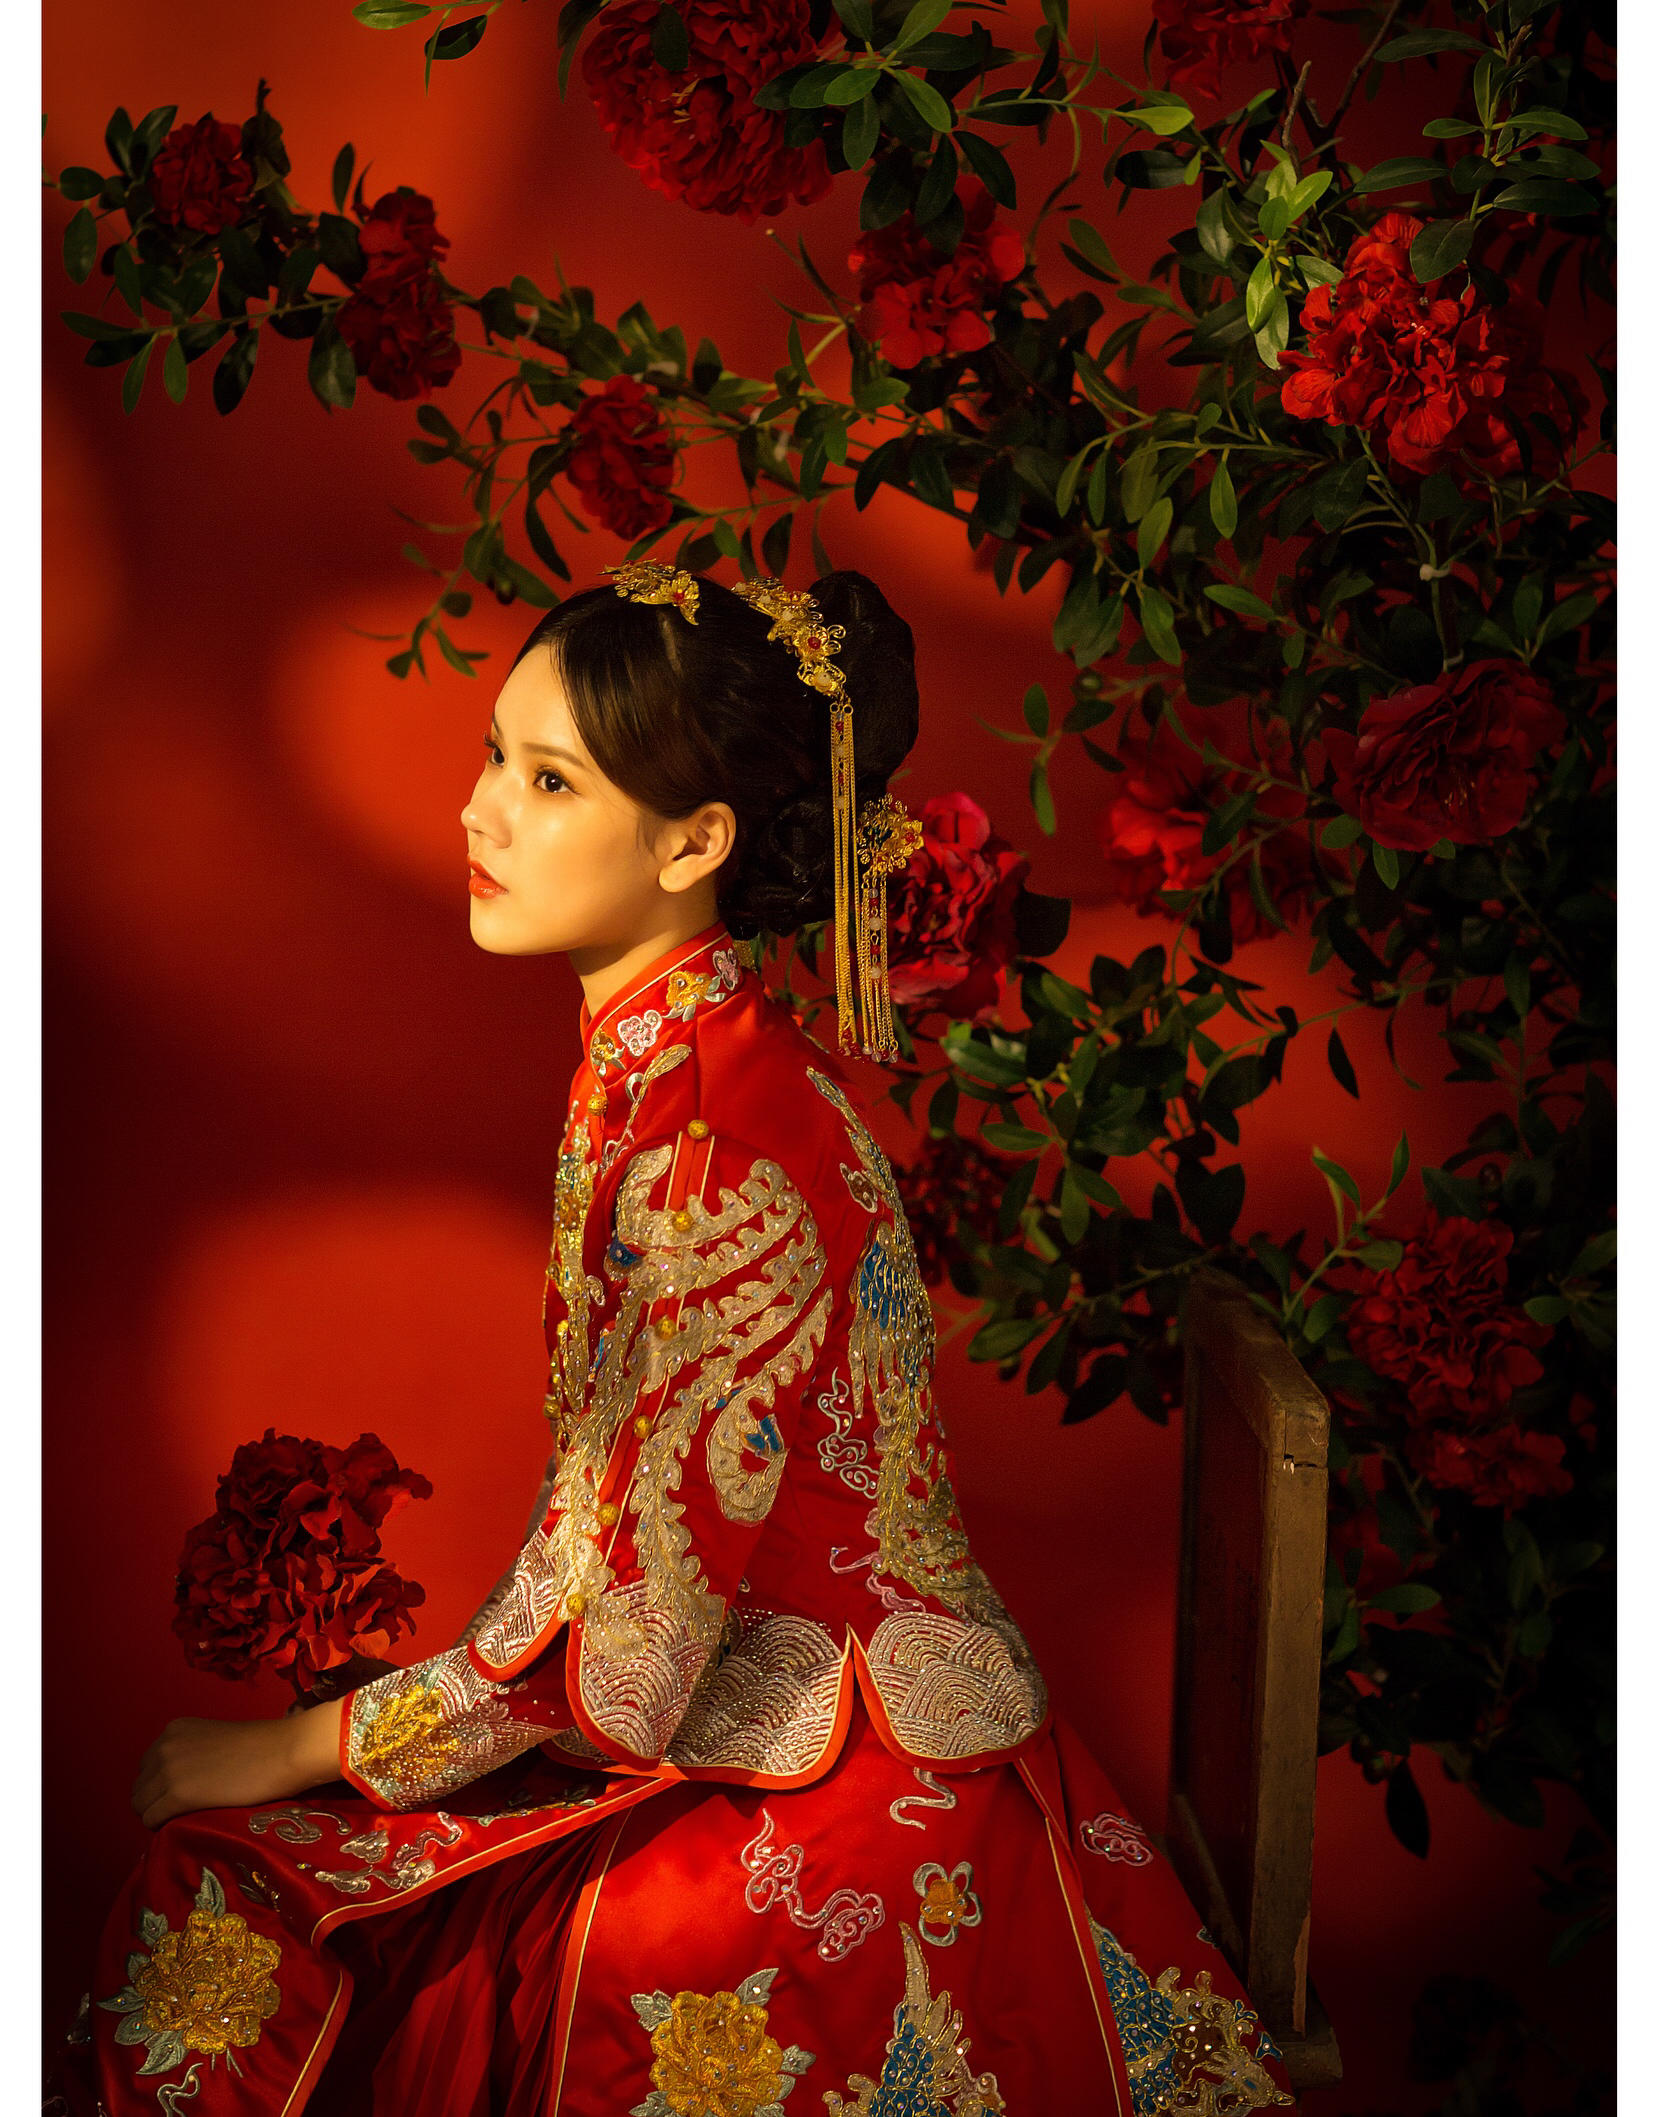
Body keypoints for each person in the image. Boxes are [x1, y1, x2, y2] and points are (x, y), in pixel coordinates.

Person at [57, 567, 1292, 2116]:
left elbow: (631, 1668)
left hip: (842, 1787)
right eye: (494, 755)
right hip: (755, 1705)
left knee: (242, 1902)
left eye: (549, 780)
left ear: (696, 841)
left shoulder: (717, 1149)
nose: (477, 811)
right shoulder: (675, 1059)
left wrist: (310, 1741)